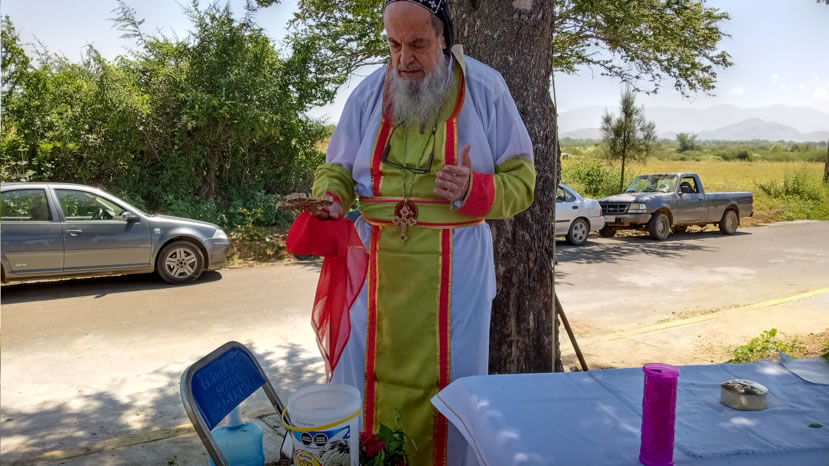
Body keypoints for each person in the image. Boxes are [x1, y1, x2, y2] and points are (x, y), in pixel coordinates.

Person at [310, 1, 535, 464]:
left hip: (457, 276)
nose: (404, 59)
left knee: (453, 385)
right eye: (394, 45)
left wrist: (475, 188)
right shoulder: (369, 93)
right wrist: (331, 197)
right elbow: (336, 168)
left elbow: (524, 183)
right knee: (364, 377)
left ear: (443, 39)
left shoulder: (485, 89)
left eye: (417, 44)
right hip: (373, 270)